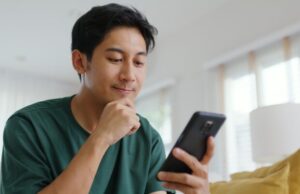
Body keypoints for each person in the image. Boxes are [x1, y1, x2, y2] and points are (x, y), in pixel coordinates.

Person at [0, 3, 214, 194]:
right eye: (116, 59)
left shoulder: (148, 138)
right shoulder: (28, 126)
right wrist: (101, 138)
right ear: (80, 61)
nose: (129, 75)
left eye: (139, 62)